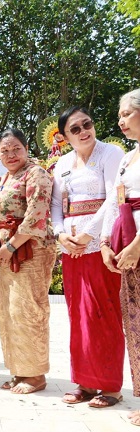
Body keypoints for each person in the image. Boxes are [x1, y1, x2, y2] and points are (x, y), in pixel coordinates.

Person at [52, 107, 124, 407]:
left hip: (100, 247)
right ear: (65, 137)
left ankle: (109, 387)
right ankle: (84, 381)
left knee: (103, 313)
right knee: (78, 315)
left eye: (87, 124)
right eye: (75, 129)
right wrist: (60, 234)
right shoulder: (63, 164)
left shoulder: (111, 154)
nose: (84, 132)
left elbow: (113, 197)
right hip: (72, 249)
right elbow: (57, 203)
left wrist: (89, 234)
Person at [0, 128, 56, 395]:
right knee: (10, 312)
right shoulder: (2, 179)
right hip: (7, 252)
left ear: (26, 149)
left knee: (30, 311)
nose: (11, 154)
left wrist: (9, 246)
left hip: (32, 251)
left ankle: (36, 374)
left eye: (16, 148)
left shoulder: (35, 173)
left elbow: (36, 214)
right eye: (5, 150)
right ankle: (19, 370)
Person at [101, 88, 140, 425]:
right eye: (120, 115)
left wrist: (139, 243)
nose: (121, 120)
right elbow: (115, 202)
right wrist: (104, 242)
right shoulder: (128, 158)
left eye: (127, 113)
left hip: (138, 242)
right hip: (125, 242)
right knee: (135, 321)